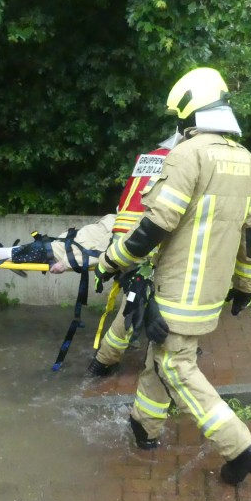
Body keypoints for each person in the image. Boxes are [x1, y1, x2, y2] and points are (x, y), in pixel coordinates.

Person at [93, 67, 251, 486]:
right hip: (209, 293)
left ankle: (240, 448)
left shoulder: (187, 155)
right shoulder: (247, 162)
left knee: (176, 366)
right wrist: (246, 286)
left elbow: (156, 224)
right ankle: (144, 426)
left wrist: (111, 261)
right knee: (161, 357)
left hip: (177, 292)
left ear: (190, 112)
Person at [86, 145, 171, 377]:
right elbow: (159, 220)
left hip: (121, 240)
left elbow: (124, 208)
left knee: (133, 298)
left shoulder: (146, 161)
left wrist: (110, 261)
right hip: (139, 247)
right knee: (134, 303)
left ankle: (112, 355)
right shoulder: (177, 165)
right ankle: (103, 361)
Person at [0, 214, 116, 274]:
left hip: (60, 254)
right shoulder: (118, 217)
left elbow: (101, 253)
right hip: (60, 245)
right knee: (22, 250)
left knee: (20, 252)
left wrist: (66, 263)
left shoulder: (123, 228)